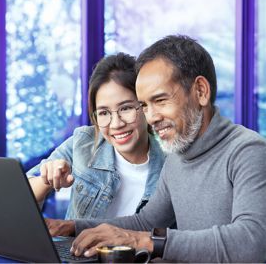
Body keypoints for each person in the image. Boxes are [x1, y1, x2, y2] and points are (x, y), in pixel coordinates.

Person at [47, 35, 266, 263]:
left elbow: (251, 243)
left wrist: (143, 241)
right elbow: (145, 223)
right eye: (144, 105)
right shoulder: (177, 157)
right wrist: (71, 226)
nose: (151, 118)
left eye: (160, 100)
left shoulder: (248, 151)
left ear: (200, 91)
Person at [27, 53, 165, 221]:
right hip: (75, 247)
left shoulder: (169, 166)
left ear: (144, 106)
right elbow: (18, 197)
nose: (116, 124)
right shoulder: (83, 142)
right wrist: (46, 180)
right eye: (104, 113)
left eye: (126, 108)